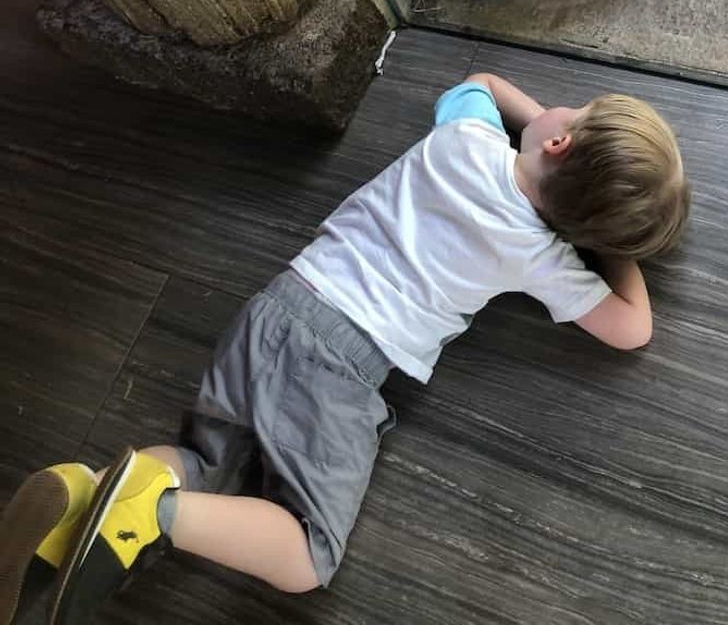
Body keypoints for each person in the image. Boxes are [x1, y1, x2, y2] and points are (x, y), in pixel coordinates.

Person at [0, 72, 690, 623]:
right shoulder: (542, 256)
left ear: (559, 140)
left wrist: (545, 126)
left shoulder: (468, 135)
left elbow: (480, 81)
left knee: (206, 459)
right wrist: (601, 238)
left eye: (573, 111)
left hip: (280, 303)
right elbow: (633, 328)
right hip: (340, 362)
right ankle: (150, 514)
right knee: (308, 555)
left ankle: (85, 502)